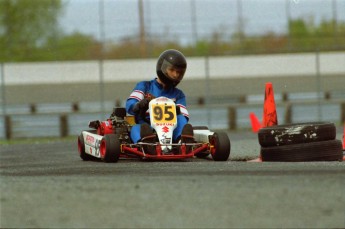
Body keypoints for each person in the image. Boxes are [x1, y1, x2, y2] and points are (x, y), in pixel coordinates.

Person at [125, 49, 194, 153]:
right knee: (136, 128)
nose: (175, 75)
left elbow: (184, 116)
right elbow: (130, 105)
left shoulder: (178, 94)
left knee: (181, 120)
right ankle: (147, 144)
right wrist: (138, 105)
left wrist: (176, 110)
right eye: (172, 70)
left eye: (179, 72)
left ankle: (182, 142)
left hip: (170, 129)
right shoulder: (144, 86)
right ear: (163, 68)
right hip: (147, 126)